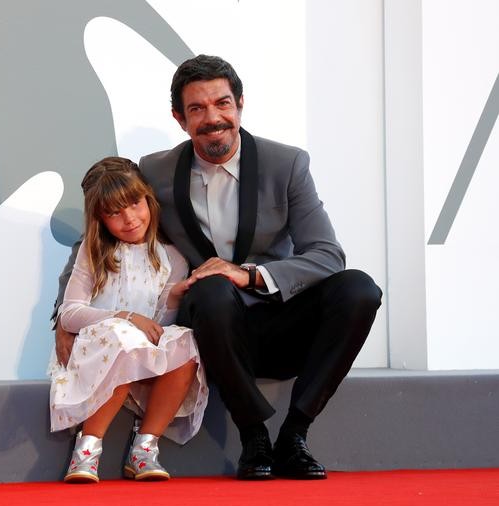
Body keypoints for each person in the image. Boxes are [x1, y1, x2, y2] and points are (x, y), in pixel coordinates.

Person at [55, 55, 382, 480]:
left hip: (278, 319)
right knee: (209, 289)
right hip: (211, 322)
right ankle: (254, 439)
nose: (213, 118)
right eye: (197, 109)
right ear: (179, 117)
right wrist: (63, 319)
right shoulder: (156, 170)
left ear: (240, 104)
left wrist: (248, 274)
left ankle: (294, 435)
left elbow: (326, 254)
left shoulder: (288, 165)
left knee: (359, 289)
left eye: (222, 103)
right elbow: (97, 232)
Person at [48, 157, 208, 483]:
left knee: (186, 342)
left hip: (140, 352)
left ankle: (146, 446)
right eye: (114, 212)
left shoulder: (172, 257)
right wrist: (125, 317)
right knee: (122, 336)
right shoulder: (93, 253)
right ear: (99, 219)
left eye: (135, 204)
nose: (130, 218)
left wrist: (174, 297)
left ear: (148, 199)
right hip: (99, 350)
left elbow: (160, 323)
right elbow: (70, 312)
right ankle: (88, 447)